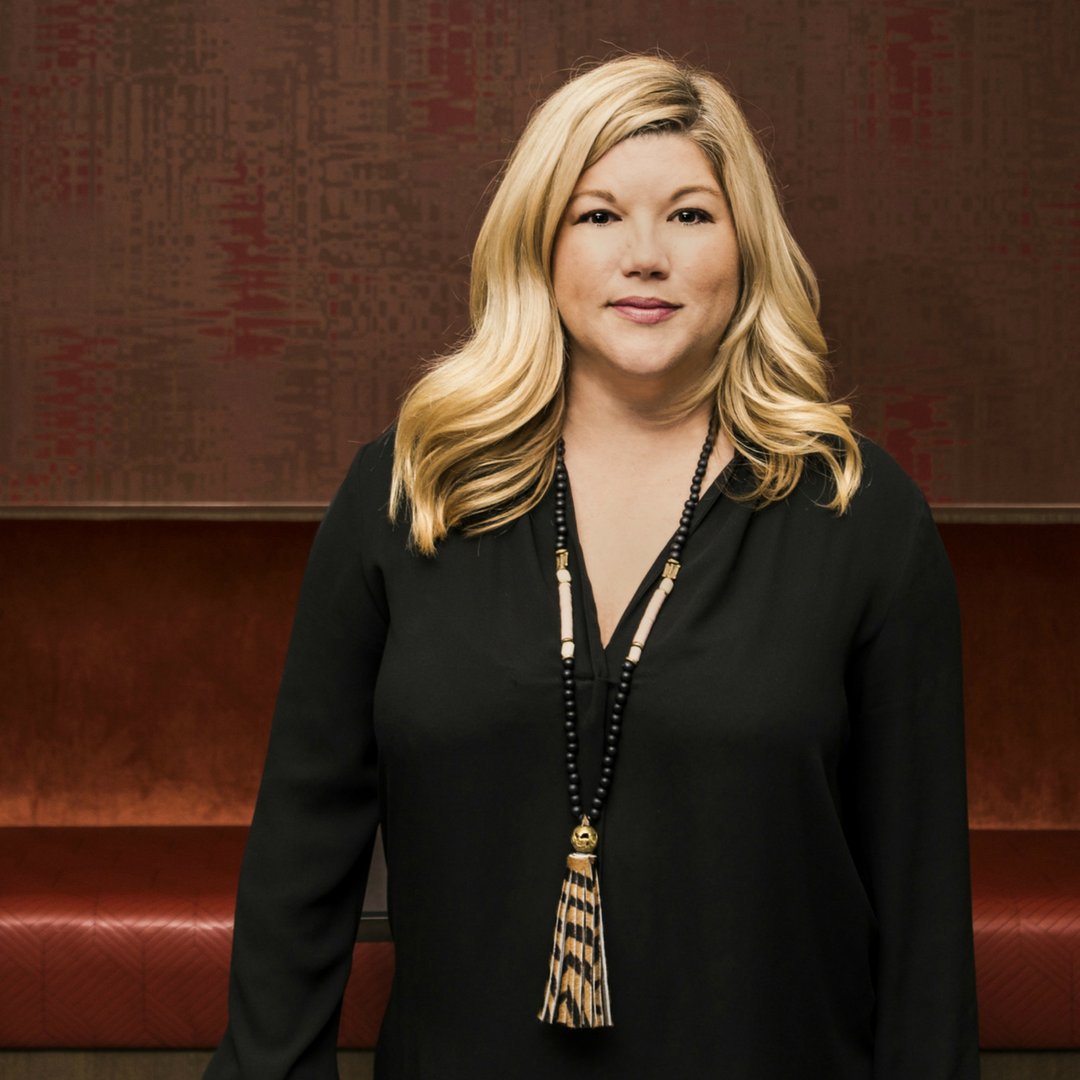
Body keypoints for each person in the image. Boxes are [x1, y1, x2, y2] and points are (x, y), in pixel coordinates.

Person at [205, 54, 979, 1079]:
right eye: (599, 215)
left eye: (691, 215)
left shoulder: (860, 514)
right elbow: (299, 862)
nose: (645, 256)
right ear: (540, 242)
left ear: (746, 246)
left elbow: (923, 910)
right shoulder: (409, 493)